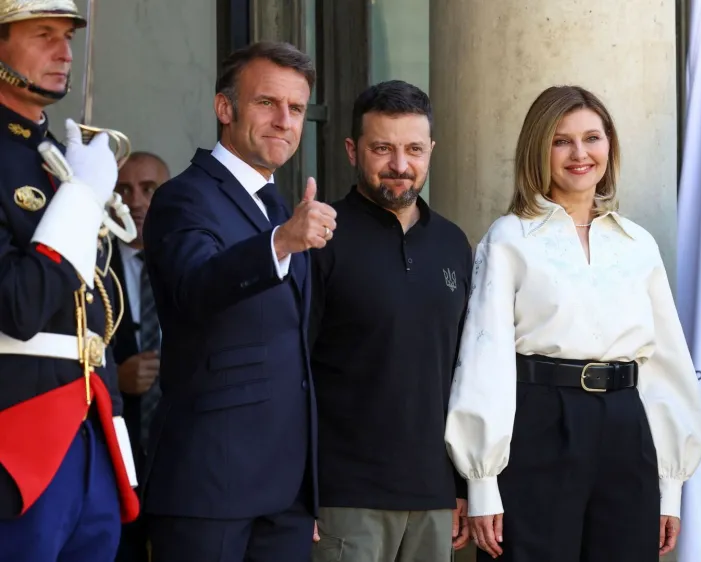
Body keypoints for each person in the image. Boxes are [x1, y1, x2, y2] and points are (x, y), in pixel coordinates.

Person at [445, 85, 701, 561]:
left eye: (592, 137)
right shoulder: (508, 239)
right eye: (561, 140)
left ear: (610, 144)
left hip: (627, 429)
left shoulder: (637, 244)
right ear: (538, 150)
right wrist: (482, 480)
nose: (580, 153)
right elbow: (485, 358)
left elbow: (666, 362)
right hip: (539, 424)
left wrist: (670, 485)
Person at [141, 41, 336, 561]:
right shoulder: (184, 195)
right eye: (266, 103)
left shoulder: (278, 203)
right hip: (212, 484)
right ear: (224, 108)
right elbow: (194, 287)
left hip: (285, 493)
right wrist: (280, 243)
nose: (284, 120)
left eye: (296, 109)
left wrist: (307, 489)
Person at [308, 80, 471, 562]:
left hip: (434, 499)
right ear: (352, 150)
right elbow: (294, 370)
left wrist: (461, 485)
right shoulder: (321, 238)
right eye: (383, 148)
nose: (400, 165)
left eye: (414, 149)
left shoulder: (453, 243)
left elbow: (464, 372)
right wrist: (302, 490)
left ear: (431, 150)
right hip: (344, 497)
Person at [0, 1, 140, 560]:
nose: (63, 52)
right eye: (42, 35)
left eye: (67, 37)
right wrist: (81, 199)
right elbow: (19, 304)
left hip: (88, 430)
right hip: (17, 434)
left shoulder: (58, 156)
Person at [110, 151, 170, 562]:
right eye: (124, 190)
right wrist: (114, 379)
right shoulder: (91, 266)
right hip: (117, 461)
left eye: (150, 189)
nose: (136, 201)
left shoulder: (195, 262)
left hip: (184, 457)